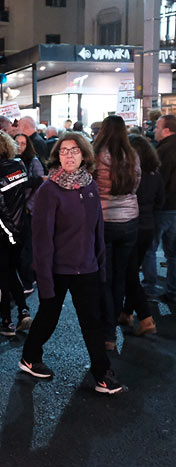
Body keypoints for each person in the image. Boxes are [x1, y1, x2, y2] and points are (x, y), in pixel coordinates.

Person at [20, 132, 125, 394]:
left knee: (92, 322)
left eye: (74, 150)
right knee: (48, 318)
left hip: (87, 267)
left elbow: (97, 229)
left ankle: (102, 373)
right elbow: (42, 239)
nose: (69, 155)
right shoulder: (49, 190)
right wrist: (43, 278)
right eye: (64, 151)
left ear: (84, 155)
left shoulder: (90, 186)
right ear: (57, 156)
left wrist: (100, 265)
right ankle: (30, 357)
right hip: (57, 269)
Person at [93, 115, 141, 350]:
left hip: (104, 220)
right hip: (130, 220)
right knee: (120, 276)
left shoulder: (97, 154)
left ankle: (107, 331)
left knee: (105, 277)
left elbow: (91, 186)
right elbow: (136, 184)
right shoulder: (132, 155)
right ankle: (112, 329)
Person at [0, 133, 42, 336]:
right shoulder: (19, 165)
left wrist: (4, 231)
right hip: (21, 229)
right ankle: (23, 311)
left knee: (1, 278)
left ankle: (6, 322)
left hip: (2, 233)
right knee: (13, 272)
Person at [120, 135, 163, 336]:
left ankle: (146, 318)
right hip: (148, 226)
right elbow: (160, 201)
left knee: (129, 274)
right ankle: (127, 312)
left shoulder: (131, 174)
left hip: (132, 226)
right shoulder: (155, 174)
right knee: (132, 270)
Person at [142, 114, 176, 304]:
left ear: (166, 130)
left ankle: (149, 288)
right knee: (173, 253)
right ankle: (172, 289)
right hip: (174, 208)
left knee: (150, 249)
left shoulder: (163, 151)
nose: (153, 131)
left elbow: (159, 182)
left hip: (164, 208)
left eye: (157, 128)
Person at [14, 133, 45, 293]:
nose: (20, 146)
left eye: (23, 143)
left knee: (28, 246)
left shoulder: (33, 161)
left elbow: (40, 185)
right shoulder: (12, 161)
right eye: (17, 142)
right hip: (16, 209)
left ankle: (29, 279)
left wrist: (29, 207)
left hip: (27, 209)